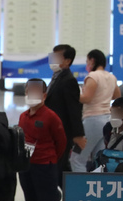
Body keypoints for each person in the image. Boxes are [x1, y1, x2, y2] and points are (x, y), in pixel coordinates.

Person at [18, 79, 66, 201]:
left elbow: (61, 142)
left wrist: (50, 158)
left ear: (44, 95)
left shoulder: (51, 117)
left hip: (45, 166)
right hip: (26, 167)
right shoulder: (23, 116)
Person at [70, 49, 121, 172]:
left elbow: (86, 98)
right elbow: (117, 96)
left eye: (87, 61)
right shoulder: (111, 77)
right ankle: (99, 188)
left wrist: (72, 93)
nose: (87, 64)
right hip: (108, 120)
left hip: (92, 120)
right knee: (100, 159)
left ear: (92, 60)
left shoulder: (92, 76)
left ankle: (81, 188)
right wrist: (104, 96)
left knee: (77, 159)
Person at [45, 44, 85, 186]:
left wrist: (78, 134)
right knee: (61, 168)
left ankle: (69, 194)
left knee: (59, 166)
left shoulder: (68, 80)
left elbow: (73, 109)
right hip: (53, 130)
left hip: (63, 132)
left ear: (67, 61)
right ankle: (71, 193)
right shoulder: (56, 77)